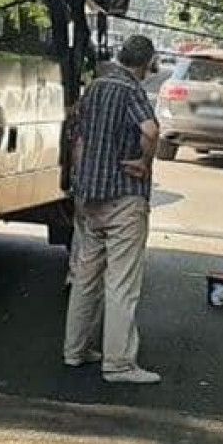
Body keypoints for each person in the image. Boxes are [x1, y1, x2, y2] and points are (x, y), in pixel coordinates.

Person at [63, 34, 162, 384]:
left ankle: (75, 350)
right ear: (147, 63)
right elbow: (150, 130)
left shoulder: (96, 86)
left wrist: (80, 179)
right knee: (121, 282)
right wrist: (143, 162)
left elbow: (78, 136)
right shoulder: (130, 89)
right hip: (124, 198)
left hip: (90, 198)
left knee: (85, 276)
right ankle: (119, 363)